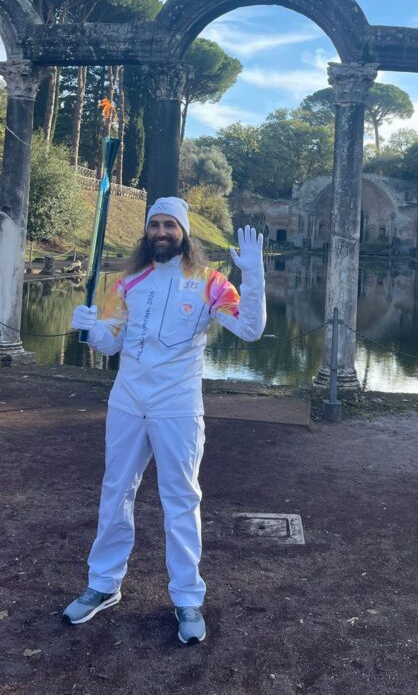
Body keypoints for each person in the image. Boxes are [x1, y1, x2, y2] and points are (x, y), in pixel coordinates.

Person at [63, 197, 266, 644]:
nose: (161, 231)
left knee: (181, 499)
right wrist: (90, 328)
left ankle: (188, 597)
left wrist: (253, 276)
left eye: (169, 225)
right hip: (128, 401)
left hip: (177, 405)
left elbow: (250, 329)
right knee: (116, 491)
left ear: (184, 232)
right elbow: (110, 344)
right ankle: (103, 584)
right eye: (154, 224)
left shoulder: (211, 283)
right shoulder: (127, 282)